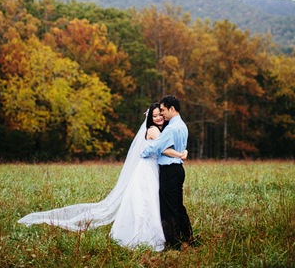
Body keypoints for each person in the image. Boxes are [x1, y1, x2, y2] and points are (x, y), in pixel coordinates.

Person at [18, 102, 187, 252]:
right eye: (155, 115)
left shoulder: (162, 130)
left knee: (152, 201)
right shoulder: (153, 130)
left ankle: (160, 233)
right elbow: (163, 148)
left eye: (160, 114)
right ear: (150, 118)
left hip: (153, 168)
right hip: (148, 169)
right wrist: (181, 154)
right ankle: (145, 236)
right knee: (146, 201)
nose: (158, 117)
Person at [140, 95, 194, 249]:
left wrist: (143, 152)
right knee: (178, 206)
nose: (162, 114)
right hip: (178, 169)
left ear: (172, 109)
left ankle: (173, 243)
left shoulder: (170, 128)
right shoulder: (183, 125)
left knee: (168, 209)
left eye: (163, 110)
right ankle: (188, 237)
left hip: (169, 170)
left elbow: (158, 147)